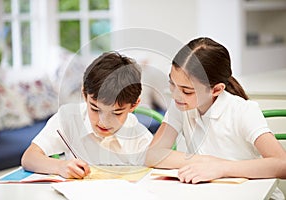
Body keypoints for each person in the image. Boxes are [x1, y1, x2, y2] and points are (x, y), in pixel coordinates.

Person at [145, 37, 286, 199]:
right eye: (172, 84)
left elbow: (282, 164)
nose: (176, 94)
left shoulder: (242, 111)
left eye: (187, 91)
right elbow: (152, 154)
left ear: (217, 89)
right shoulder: (181, 106)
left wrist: (222, 167)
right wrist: (206, 162)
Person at [21, 51, 153, 179]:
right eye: (95, 109)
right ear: (84, 94)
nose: (103, 122)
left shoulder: (140, 138)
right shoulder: (69, 118)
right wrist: (60, 166)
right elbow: (29, 158)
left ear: (134, 105)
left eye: (116, 113)